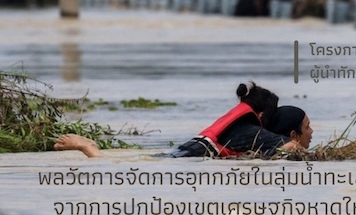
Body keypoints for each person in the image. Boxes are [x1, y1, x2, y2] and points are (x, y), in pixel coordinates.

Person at [54, 82, 303, 158]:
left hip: (188, 149)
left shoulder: (241, 124)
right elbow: (291, 147)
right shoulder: (250, 131)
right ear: (262, 116)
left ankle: (93, 149)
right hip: (190, 156)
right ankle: (90, 149)